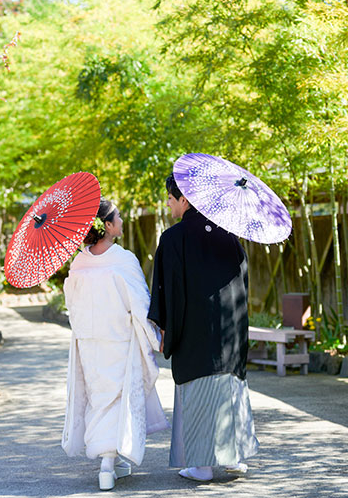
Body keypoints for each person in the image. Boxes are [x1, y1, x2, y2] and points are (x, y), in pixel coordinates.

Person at [148, 173, 259, 482]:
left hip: (195, 331)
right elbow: (242, 284)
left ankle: (202, 465)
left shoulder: (173, 238)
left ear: (184, 200)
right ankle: (234, 458)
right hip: (228, 330)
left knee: (198, 392)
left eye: (171, 198)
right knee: (229, 388)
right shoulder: (228, 235)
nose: (168, 203)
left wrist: (166, 328)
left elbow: (168, 288)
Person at [62, 197, 169, 491]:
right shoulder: (123, 259)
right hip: (119, 339)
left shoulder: (79, 262)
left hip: (90, 341)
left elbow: (72, 303)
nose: (122, 221)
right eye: (118, 217)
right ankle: (108, 464)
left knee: (100, 398)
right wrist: (155, 335)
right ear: (108, 226)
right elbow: (140, 303)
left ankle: (111, 461)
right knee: (118, 399)